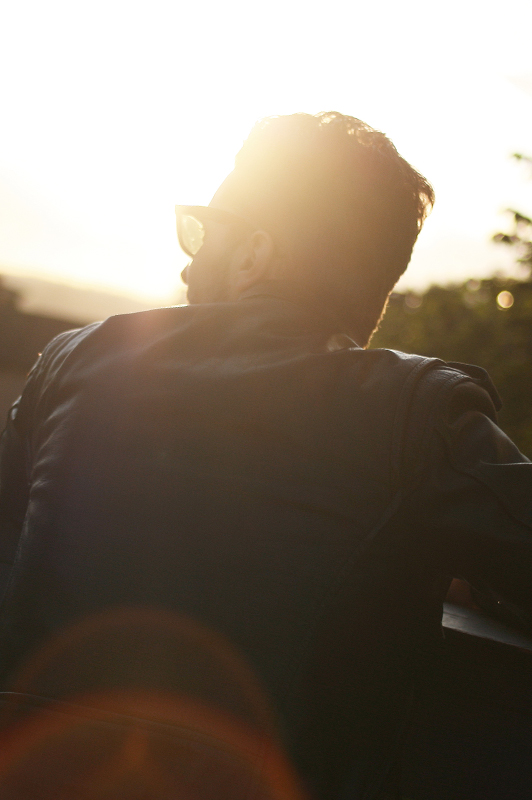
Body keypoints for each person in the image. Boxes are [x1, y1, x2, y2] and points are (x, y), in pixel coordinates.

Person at [0, 111, 531, 800]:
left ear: (254, 252)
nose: (188, 260)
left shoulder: (78, 358)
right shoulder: (414, 415)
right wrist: (458, 564)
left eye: (202, 231)